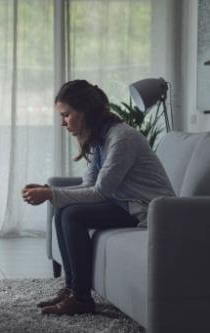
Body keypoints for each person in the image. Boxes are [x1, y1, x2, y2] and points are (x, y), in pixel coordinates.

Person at [21, 80, 174, 315]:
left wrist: (50, 193)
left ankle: (81, 298)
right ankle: (72, 288)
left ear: (85, 111)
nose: (63, 122)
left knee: (72, 214)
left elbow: (99, 192)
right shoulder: (99, 138)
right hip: (123, 203)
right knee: (63, 210)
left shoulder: (121, 138)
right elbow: (88, 185)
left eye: (66, 115)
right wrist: (47, 190)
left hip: (147, 209)